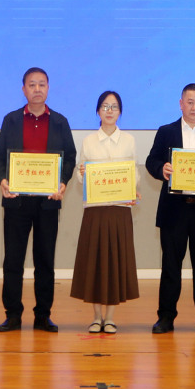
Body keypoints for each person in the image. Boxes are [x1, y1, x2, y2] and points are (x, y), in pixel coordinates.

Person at [0, 68, 77, 332]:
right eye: (32, 84)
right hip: (16, 201)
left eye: (41, 84)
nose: (37, 89)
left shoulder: (60, 122)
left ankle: (42, 315)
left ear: (48, 88)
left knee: (45, 261)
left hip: (48, 202)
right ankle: (13, 315)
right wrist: (2, 180)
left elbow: (70, 158)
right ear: (23, 89)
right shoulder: (11, 120)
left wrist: (63, 183)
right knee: (13, 261)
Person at [144, 83, 195, 335]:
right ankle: (166, 317)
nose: (194, 107)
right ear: (181, 104)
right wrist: (161, 169)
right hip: (174, 210)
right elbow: (151, 161)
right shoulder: (166, 131)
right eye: (190, 102)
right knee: (171, 266)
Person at [70, 90, 140, 334]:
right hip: (95, 211)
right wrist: (82, 173)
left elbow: (134, 172)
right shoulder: (88, 140)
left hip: (119, 209)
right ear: (98, 111)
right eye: (105, 106)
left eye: (114, 107)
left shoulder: (129, 140)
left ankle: (110, 317)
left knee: (115, 262)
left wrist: (132, 188)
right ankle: (96, 317)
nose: (110, 111)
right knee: (95, 262)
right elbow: (81, 176)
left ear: (120, 112)